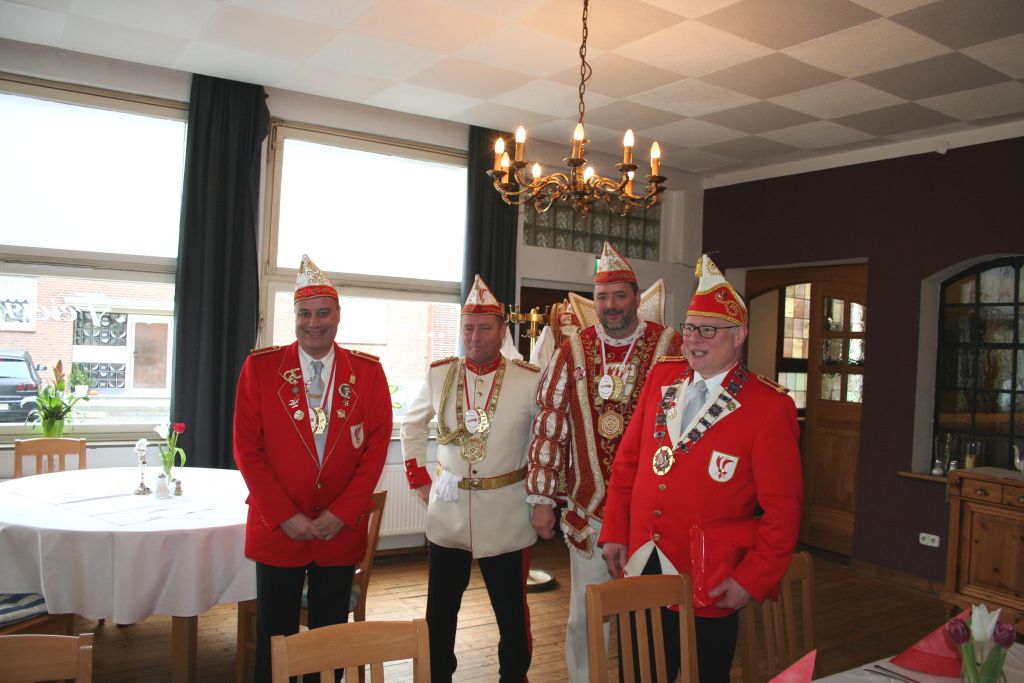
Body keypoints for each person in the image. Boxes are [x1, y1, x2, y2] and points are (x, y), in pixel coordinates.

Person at [599, 254, 803, 683]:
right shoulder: (662, 378)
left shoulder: (769, 407)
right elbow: (628, 463)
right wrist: (615, 530)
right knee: (638, 674)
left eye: (709, 330)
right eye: (690, 328)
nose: (693, 340)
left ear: (739, 336)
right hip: (641, 563)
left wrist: (752, 578)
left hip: (708, 580)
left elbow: (783, 510)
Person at [526, 242, 683, 683]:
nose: (611, 305)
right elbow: (550, 424)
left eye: (619, 296)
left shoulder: (669, 345)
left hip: (650, 514)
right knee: (586, 615)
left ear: (636, 297)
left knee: (648, 615)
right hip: (589, 510)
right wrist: (541, 500)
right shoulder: (573, 348)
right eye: (602, 297)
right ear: (593, 301)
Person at [234, 254, 392, 683]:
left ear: (338, 315)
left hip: (337, 531)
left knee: (329, 643)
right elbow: (247, 450)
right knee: (276, 640)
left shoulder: (367, 374)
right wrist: (285, 515)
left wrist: (341, 513)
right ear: (295, 317)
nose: (314, 323)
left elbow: (375, 450)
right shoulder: (261, 368)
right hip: (278, 529)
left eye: (323, 313)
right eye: (305, 313)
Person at [402, 274, 540, 683]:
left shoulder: (529, 379)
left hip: (506, 513)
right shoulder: (440, 374)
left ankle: (513, 676)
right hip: (448, 512)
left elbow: (544, 440)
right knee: (440, 611)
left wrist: (542, 498)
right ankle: (436, 675)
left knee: (511, 612)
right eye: (467, 328)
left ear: (502, 330)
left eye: (484, 328)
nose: (474, 337)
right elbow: (412, 425)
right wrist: (418, 478)